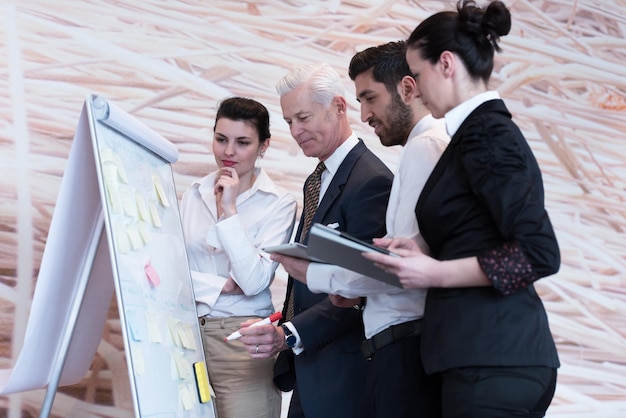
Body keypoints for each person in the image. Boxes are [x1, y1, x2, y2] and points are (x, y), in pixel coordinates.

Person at [364, 2, 561, 417]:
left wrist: (435, 272)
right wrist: (418, 246)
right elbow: (474, 229)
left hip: (493, 358)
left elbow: (539, 252)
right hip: (485, 355)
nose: (414, 87)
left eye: (417, 75)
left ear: (447, 64)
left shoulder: (486, 134)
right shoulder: (473, 133)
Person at [291, 41, 449, 417]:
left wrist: (318, 273)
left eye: (370, 98)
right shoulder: (418, 149)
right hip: (391, 345)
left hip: (401, 346)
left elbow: (400, 268)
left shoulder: (422, 149)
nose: (365, 114)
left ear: (408, 89)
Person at [238, 62, 393, 418]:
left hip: (345, 380)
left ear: (339, 107)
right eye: (289, 121)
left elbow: (365, 286)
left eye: (304, 117)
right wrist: (284, 325)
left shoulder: (371, 182)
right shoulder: (316, 179)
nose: (295, 130)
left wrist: (289, 332)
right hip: (311, 371)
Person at [180, 97, 297, 418]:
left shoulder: (279, 203)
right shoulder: (194, 193)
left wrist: (228, 211)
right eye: (221, 139)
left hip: (243, 342)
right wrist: (221, 287)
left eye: (242, 142)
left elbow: (253, 281)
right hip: (185, 336)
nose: (228, 152)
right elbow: (174, 271)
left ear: (264, 146)